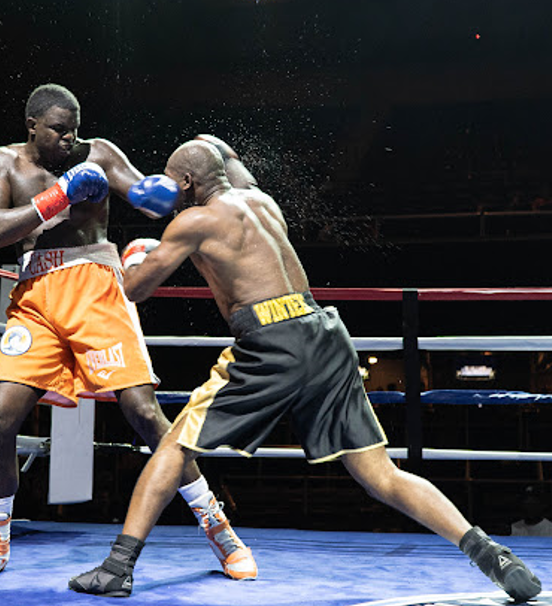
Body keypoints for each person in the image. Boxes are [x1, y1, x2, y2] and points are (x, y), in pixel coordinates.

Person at [68, 135, 543, 601]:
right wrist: (204, 144)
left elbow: (134, 290)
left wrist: (133, 256)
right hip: (324, 330)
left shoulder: (192, 222)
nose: (168, 193)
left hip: (271, 341)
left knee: (174, 446)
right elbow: (227, 159)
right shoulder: (261, 200)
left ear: (188, 182)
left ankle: (117, 568)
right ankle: (486, 551)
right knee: (380, 475)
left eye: (173, 184)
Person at [0, 85, 256, 581]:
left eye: (74, 127)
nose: (68, 138)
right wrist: (59, 197)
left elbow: (154, 201)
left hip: (96, 287)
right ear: (31, 125)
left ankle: (220, 531)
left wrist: (180, 179)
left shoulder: (99, 152)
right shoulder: (0, 162)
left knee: (143, 413)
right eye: (57, 129)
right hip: (34, 298)